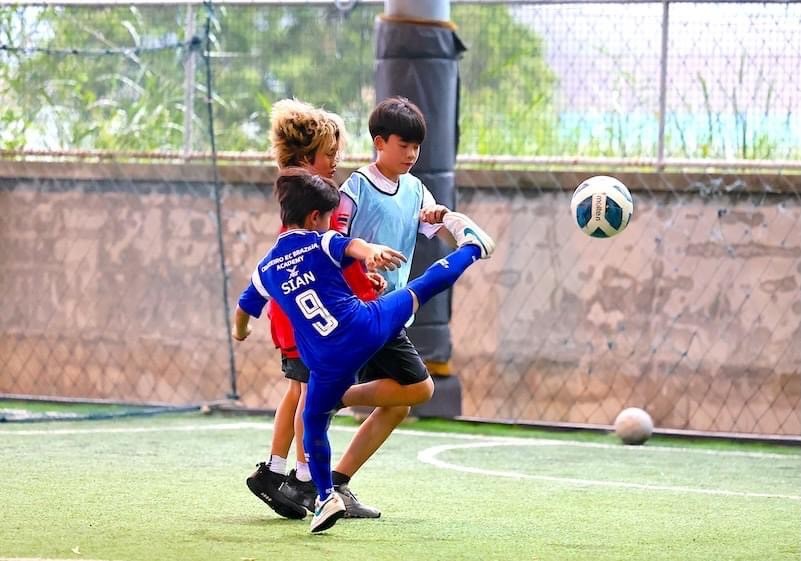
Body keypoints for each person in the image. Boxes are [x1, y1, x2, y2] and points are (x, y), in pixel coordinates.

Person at [232, 169, 495, 533]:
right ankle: (473, 248)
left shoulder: (267, 267)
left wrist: (241, 331)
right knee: (421, 288)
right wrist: (371, 252)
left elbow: (245, 308)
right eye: (328, 218)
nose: (331, 224)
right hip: (363, 325)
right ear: (314, 219)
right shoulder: (320, 242)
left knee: (313, 425)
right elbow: (351, 246)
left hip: (325, 360)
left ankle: (325, 497)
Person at [280, 96, 457, 514]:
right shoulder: (355, 187)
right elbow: (334, 241)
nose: (411, 154)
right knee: (416, 389)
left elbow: (433, 223)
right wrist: (361, 266)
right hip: (358, 312)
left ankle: (336, 480)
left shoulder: (415, 190)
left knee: (402, 402)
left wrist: (444, 219)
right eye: (403, 144)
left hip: (390, 312)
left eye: (417, 147)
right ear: (380, 142)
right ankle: (326, 432)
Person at [244, 99, 384, 520]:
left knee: (297, 390)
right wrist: (364, 285)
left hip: (288, 310)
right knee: (310, 395)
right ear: (308, 158)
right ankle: (307, 481)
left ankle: (273, 469)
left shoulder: (291, 186)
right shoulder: (317, 199)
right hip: (308, 311)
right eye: (330, 155)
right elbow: (328, 254)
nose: (336, 163)